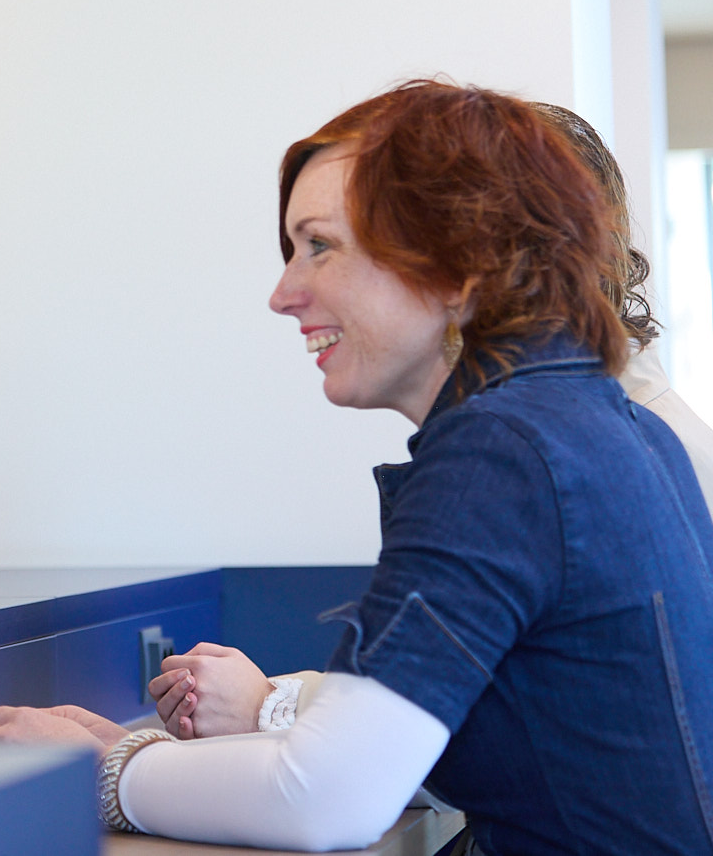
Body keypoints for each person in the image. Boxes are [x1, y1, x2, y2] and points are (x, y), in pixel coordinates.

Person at [0, 81, 713, 853]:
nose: (284, 293)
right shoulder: (600, 426)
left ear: (458, 267)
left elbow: (328, 797)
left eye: (320, 245)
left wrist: (105, 768)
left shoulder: (503, 453)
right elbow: (378, 752)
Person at [148, 101, 713, 743]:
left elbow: (431, 750)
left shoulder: (539, 452)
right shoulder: (582, 431)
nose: (286, 292)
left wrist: (251, 716)